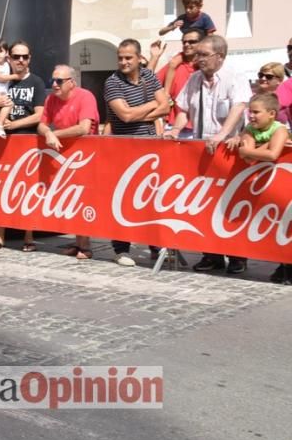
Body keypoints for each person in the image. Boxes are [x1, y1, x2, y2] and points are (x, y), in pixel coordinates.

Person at [168, 34, 250, 275]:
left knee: (230, 205)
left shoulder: (235, 76)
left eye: (204, 55)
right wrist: (175, 129)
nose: (198, 59)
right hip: (201, 149)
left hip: (229, 150)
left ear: (220, 57)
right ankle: (211, 254)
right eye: (197, 54)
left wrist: (222, 135)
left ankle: (237, 256)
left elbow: (239, 107)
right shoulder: (194, 79)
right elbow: (182, 108)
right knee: (206, 205)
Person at [103, 39, 170, 266]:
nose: (123, 62)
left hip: (149, 146)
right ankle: (121, 249)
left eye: (128, 57)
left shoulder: (149, 77)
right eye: (120, 57)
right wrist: (152, 105)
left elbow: (167, 107)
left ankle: (155, 245)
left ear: (139, 58)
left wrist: (145, 109)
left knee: (150, 198)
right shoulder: (112, 82)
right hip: (123, 148)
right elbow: (125, 116)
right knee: (122, 198)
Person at [0, 40, 47, 253]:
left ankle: (28, 237)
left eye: (25, 57)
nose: (21, 60)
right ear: (9, 58)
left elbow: (40, 115)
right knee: (1, 188)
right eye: (17, 56)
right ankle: (0, 237)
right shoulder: (3, 81)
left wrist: (14, 124)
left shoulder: (36, 82)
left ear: (30, 58)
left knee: (27, 190)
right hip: (3, 142)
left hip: (28, 141)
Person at [37, 65, 99, 260]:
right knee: (71, 197)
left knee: (84, 198)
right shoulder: (51, 99)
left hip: (87, 154)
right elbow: (41, 124)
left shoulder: (85, 96)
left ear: (72, 82)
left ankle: (85, 244)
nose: (54, 85)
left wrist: (54, 133)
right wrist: (47, 132)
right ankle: (77, 241)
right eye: (52, 81)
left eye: (59, 81)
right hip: (65, 155)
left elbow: (83, 128)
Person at [235, 93, 291, 284]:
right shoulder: (250, 128)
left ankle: (286, 267)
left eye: (256, 112)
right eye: (250, 111)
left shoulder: (280, 129)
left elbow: (273, 154)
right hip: (262, 188)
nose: (251, 116)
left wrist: (249, 148)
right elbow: (249, 158)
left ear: (272, 114)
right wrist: (262, 147)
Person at [156, 28, 206, 134]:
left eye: (192, 42)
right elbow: (149, 83)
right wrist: (154, 58)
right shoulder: (173, 65)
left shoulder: (208, 67)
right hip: (174, 127)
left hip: (204, 127)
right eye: (184, 42)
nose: (186, 44)